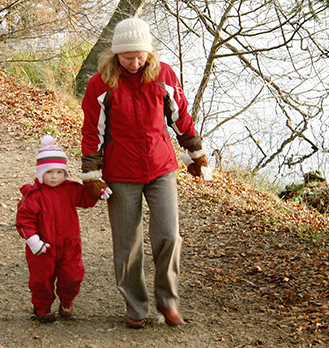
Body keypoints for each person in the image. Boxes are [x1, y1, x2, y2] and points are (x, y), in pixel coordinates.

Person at [80, 17, 208, 329]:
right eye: (128, 57)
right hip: (121, 171)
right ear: (115, 55)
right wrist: (92, 175)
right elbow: (92, 132)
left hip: (161, 167)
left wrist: (196, 153)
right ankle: (136, 306)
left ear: (149, 53)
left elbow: (179, 117)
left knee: (168, 235)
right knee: (127, 243)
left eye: (140, 56)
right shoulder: (101, 83)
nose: (135, 62)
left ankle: (168, 302)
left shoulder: (163, 74)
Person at [16, 135, 112, 323]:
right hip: (43, 248)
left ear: (65, 173)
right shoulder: (34, 195)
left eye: (60, 172)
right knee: (41, 280)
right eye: (49, 172)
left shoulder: (70, 189)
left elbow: (85, 199)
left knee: (72, 276)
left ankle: (67, 300)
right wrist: (33, 240)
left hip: (69, 244)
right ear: (40, 173)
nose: (54, 176)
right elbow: (24, 220)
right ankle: (42, 307)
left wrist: (96, 190)